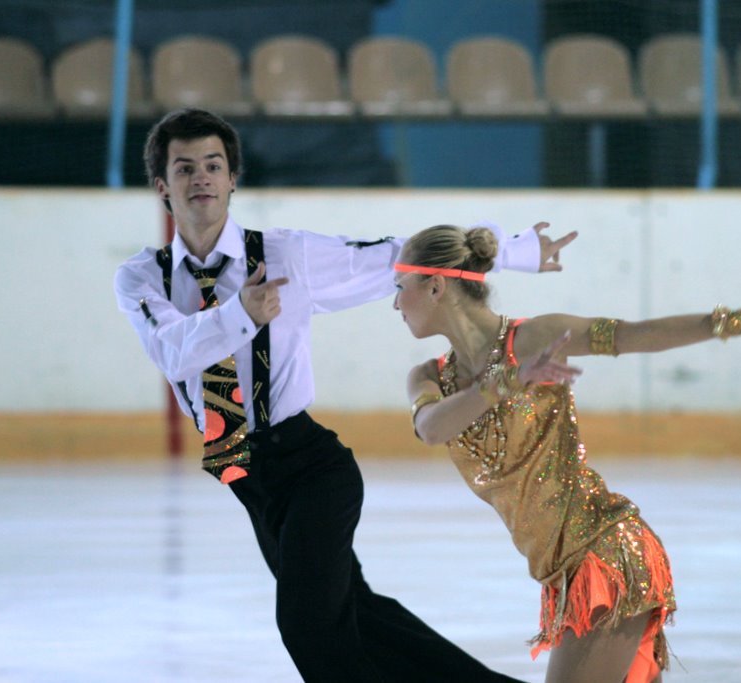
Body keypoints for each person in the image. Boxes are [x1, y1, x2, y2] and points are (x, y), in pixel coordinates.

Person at [113, 108, 575, 683]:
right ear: (162, 185)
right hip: (244, 473)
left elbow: (399, 257)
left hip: (311, 468)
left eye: (213, 165)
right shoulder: (142, 278)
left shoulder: (286, 255)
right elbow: (171, 351)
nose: (201, 178)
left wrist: (510, 251)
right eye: (185, 168)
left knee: (309, 626)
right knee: (359, 617)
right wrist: (241, 313)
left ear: (233, 178)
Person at [394, 224, 741, 683]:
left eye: (400, 287)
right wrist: (507, 381)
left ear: (436, 286)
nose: (396, 304)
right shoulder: (427, 377)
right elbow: (431, 428)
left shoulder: (535, 337)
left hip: (604, 558)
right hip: (565, 575)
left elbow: (633, 335)